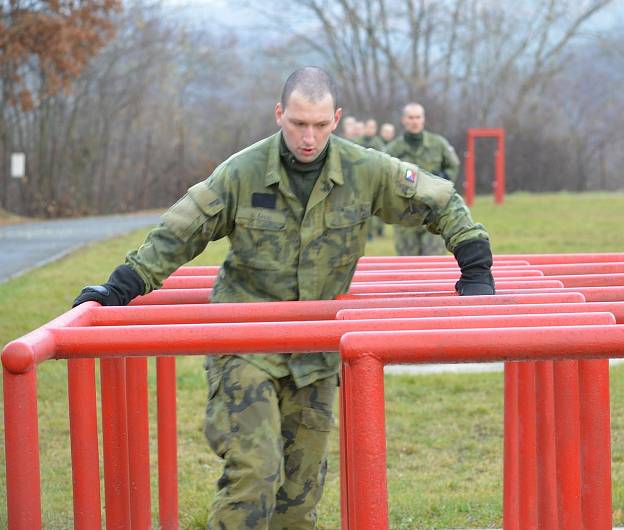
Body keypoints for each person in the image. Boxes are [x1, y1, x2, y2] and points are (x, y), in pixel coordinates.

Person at [72, 66, 495, 530]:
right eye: (298, 124)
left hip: (314, 351)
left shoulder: (365, 170)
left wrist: (474, 264)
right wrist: (119, 288)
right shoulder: (243, 172)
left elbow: (440, 198)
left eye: (318, 124)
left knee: (298, 498)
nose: (308, 137)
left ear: (336, 118)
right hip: (244, 341)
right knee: (254, 473)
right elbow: (180, 231)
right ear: (279, 115)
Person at [385, 102, 461, 255]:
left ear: (423, 119)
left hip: (433, 211)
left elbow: (453, 165)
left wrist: (442, 182)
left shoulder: (438, 144)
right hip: (405, 213)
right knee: (407, 265)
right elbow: (384, 172)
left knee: (434, 264)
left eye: (418, 117)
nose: (414, 121)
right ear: (403, 120)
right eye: (411, 117)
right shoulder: (393, 148)